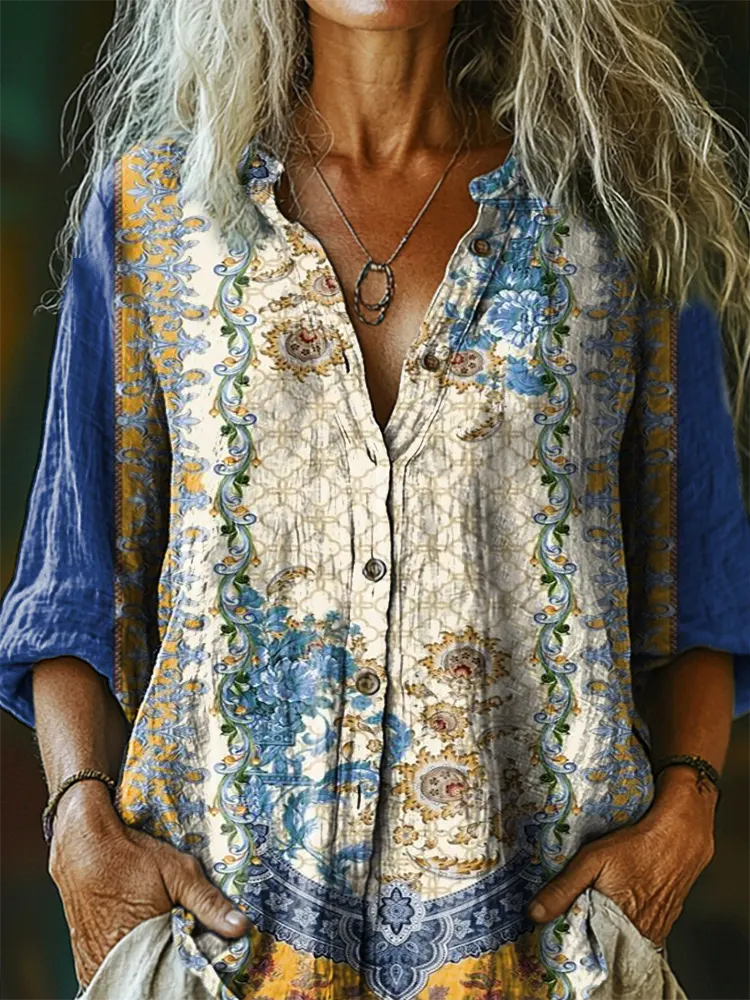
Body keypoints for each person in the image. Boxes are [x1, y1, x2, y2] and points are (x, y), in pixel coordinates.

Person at [2, 0, 750, 998]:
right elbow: (76, 584)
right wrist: (79, 820)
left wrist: (689, 808)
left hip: (550, 964)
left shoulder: (619, 212)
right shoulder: (154, 210)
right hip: (217, 962)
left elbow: (697, 582)